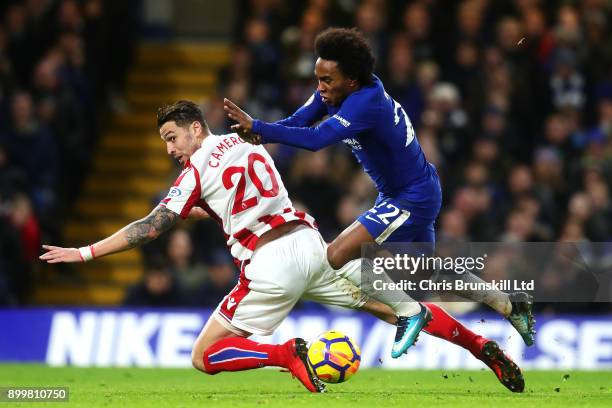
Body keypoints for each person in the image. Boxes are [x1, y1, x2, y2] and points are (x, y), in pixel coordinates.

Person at [40, 100, 524, 393]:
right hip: (312, 246)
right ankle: (482, 346)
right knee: (392, 306)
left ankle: (286, 355)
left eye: (172, 137)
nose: (170, 150)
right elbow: (230, 199)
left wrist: (83, 252)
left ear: (194, 128)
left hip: (269, 265)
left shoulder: (194, 172)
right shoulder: (249, 140)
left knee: (204, 356)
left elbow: (152, 225)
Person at [224, 27, 535, 350]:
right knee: (423, 273)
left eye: (327, 80)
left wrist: (259, 128)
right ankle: (509, 304)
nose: (320, 88)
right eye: (318, 79)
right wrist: (253, 134)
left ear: (352, 80)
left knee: (336, 255)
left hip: (411, 196)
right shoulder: (336, 93)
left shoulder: (366, 103)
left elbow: (316, 141)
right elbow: (298, 121)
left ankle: (409, 313)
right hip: (409, 189)